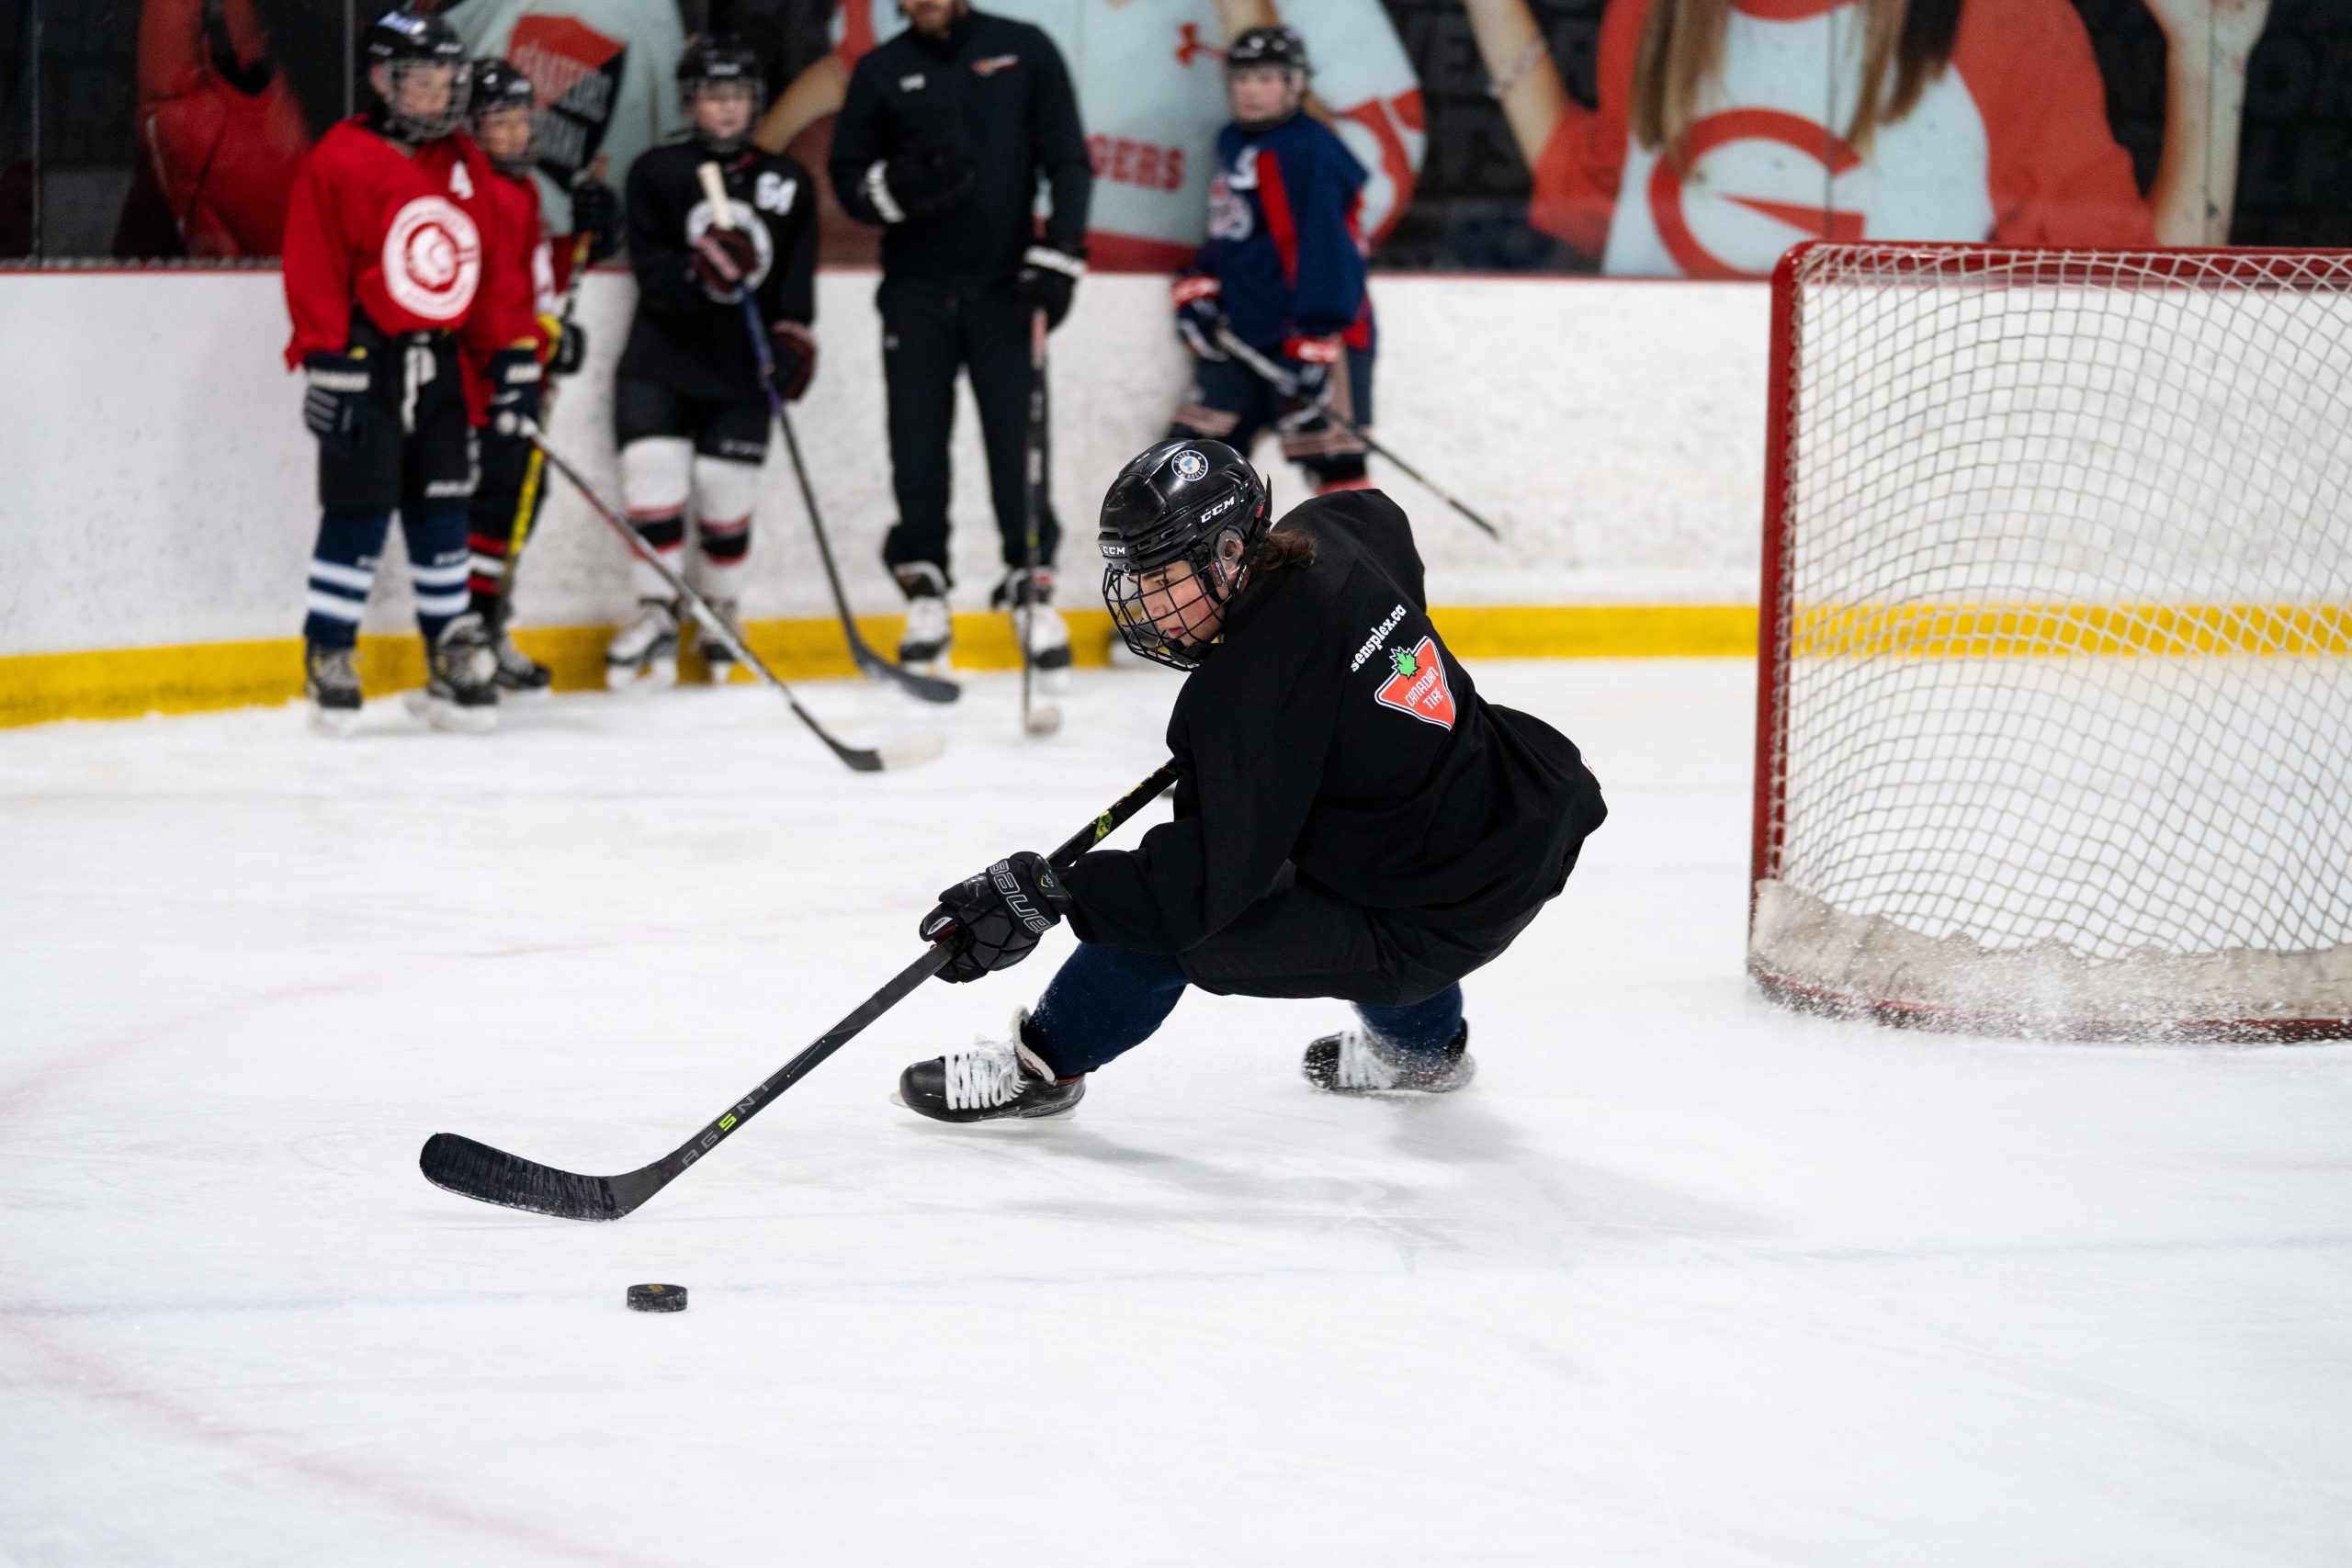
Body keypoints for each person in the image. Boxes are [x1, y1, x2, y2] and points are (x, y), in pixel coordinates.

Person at [893, 439, 1609, 1122]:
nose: (1145, 604)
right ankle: (1427, 1054)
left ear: (1231, 554)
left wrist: (1050, 892)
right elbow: (1387, 519)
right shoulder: (1335, 529)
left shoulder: (1247, 698)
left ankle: (1041, 1069)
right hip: (1515, 806)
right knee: (1339, 862)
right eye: (1136, 579)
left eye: (1162, 577)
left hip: (1440, 904)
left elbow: (1194, 893)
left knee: (1166, 934)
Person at [1458, 0, 2277, 277]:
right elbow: (1598, 192)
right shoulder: (1661, 14)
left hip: (1918, 518)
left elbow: (2141, 297)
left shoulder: (2005, 26)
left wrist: (2211, 65)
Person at [282, 7, 537, 735]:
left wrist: (514, 358)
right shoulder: (339, 158)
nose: (437, 97)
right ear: (380, 82)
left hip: (446, 363)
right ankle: (329, 647)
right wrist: (328, 360)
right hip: (371, 362)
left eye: (446, 82)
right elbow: (314, 264)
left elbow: (487, 273)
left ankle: (449, 645)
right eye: (420, 83)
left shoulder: (464, 160)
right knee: (359, 508)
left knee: (445, 505)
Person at [754, 0, 1424, 270]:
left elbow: (1366, 194)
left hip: (1190, 295)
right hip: (992, 280)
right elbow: (853, 74)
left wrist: (1246, 14)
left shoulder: (1322, 12)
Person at [826, 0, 1091, 678]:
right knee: (915, 444)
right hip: (915, 292)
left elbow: (1068, 160)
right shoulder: (883, 69)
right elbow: (849, 177)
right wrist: (899, 187)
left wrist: (1059, 253)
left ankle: (1029, 584)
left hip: (1006, 289)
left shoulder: (1024, 48)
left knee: (1018, 443)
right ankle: (926, 588)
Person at [604, 36, 820, 690]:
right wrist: (695, 269)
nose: (724, 111)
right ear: (690, 103)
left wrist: (792, 343)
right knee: (653, 480)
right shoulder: (657, 172)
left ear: (753, 103)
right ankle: (657, 612)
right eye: (710, 97)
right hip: (660, 357)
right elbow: (653, 275)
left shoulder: (787, 182)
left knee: (728, 492)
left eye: (735, 97)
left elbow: (794, 285)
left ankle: (722, 610)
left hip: (740, 366)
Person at [459, 57, 621, 695]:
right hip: (482, 383)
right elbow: (490, 296)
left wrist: (587, 235)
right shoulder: (474, 191)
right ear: (472, 126)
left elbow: (533, 286)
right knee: (494, 502)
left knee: (522, 495)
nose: (518, 133)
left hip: (515, 370)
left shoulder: (520, 189)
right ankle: (470, 632)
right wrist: (528, 347)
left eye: (523, 120)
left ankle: (489, 627)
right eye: (502, 121)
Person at [1166, 27, 1376, 500]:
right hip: (1241, 335)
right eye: (1240, 78)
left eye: (1265, 78)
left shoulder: (1310, 151)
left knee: (1335, 471)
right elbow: (1230, 233)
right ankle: (1210, 572)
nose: (1249, 90)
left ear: (1295, 84)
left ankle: (1358, 569)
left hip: (1315, 337)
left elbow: (1331, 250)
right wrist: (1199, 290)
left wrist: (1316, 336)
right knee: (1190, 465)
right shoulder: (1233, 142)